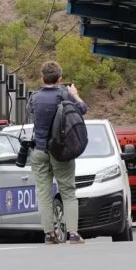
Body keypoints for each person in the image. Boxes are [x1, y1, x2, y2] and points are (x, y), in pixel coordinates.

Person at [29, 61, 88, 244]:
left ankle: (49, 234)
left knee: (43, 194)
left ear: (42, 78)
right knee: (68, 192)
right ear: (59, 79)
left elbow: (32, 116)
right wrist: (75, 95)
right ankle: (73, 234)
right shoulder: (64, 95)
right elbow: (83, 109)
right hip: (60, 152)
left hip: (39, 151)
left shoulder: (34, 98)